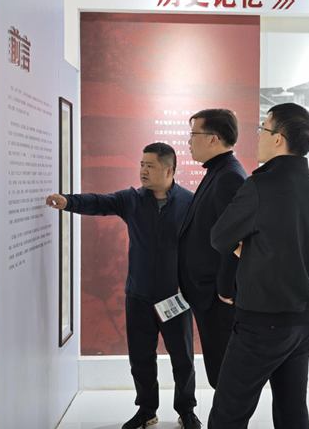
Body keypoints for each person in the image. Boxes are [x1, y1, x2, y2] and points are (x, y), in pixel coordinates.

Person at [46, 143, 201, 429]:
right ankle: (146, 410)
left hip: (175, 297)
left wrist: (193, 286)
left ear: (169, 170)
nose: (143, 170)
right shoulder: (132, 200)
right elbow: (99, 202)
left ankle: (186, 411)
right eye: (142, 164)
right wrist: (67, 201)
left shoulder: (190, 203)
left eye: (150, 165)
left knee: (183, 359)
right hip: (138, 295)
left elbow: (203, 250)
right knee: (141, 358)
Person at [207, 103, 309, 429]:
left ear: (278, 139)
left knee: (228, 415)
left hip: (262, 323)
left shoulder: (260, 185)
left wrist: (248, 251)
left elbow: (219, 238)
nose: (258, 135)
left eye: (263, 128)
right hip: (303, 321)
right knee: (292, 412)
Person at [178, 108, 247, 389]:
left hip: (217, 299)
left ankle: (226, 414)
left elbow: (234, 239)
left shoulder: (229, 176)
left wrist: (225, 290)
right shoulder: (218, 171)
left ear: (213, 138)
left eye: (193, 134)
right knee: (219, 369)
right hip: (208, 294)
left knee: (224, 373)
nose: (189, 141)